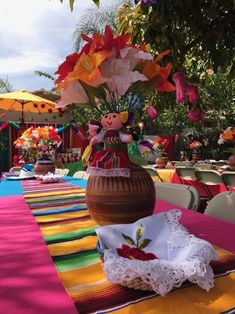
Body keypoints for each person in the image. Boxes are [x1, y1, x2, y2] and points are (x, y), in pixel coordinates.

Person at [87, 112, 133, 177]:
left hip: (117, 152)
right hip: (106, 152)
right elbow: (99, 137)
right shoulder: (104, 132)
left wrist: (128, 138)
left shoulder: (118, 133)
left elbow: (123, 137)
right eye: (106, 117)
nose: (109, 118)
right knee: (102, 159)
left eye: (114, 116)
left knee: (119, 160)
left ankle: (116, 176)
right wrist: (93, 140)